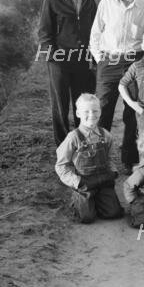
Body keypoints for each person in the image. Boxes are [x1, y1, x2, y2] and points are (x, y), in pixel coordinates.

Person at [89, 0, 144, 172]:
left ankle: (128, 159)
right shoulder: (107, 1)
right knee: (103, 109)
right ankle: (100, 159)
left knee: (133, 112)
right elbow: (96, 32)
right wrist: (99, 56)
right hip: (109, 61)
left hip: (134, 62)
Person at [38, 0, 97, 146]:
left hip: (83, 60)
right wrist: (53, 58)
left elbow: (96, 28)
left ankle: (83, 143)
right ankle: (63, 147)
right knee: (60, 106)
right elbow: (45, 32)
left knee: (84, 105)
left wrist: (94, 56)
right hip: (60, 61)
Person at [55, 93, 123, 224]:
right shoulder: (72, 138)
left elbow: (111, 157)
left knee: (114, 213)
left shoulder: (106, 135)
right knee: (87, 218)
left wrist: (113, 172)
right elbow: (61, 166)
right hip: (84, 183)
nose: (91, 115)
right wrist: (76, 182)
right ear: (78, 113)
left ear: (100, 112)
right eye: (86, 111)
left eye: (95, 111)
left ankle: (98, 199)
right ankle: (79, 199)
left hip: (103, 180)